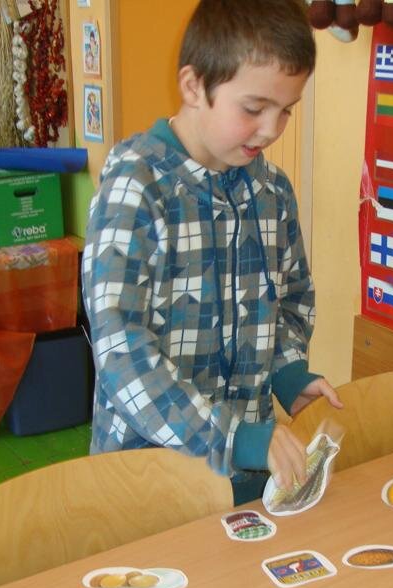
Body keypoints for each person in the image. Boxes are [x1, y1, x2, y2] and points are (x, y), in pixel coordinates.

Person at [81, 0, 341, 504]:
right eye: (254, 109)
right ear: (194, 85)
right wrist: (233, 438)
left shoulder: (273, 192)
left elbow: (290, 301)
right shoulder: (136, 189)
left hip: (249, 477)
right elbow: (120, 353)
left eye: (286, 110)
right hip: (148, 481)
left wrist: (288, 373)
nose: (271, 129)